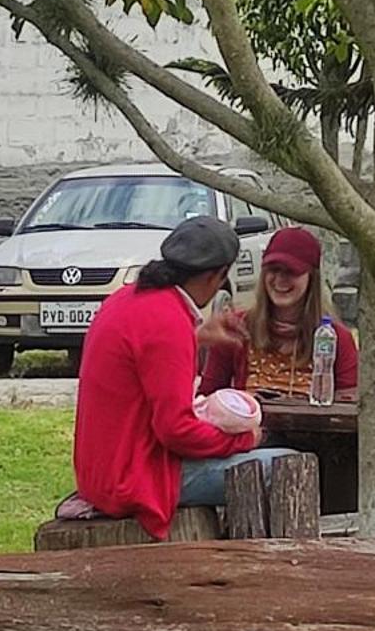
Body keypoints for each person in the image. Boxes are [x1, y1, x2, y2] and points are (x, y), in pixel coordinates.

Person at [72, 214, 295, 537]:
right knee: (285, 464)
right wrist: (246, 439)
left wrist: (197, 336)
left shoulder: (126, 299)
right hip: (136, 477)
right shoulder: (168, 321)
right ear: (217, 275)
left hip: (101, 472)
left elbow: (143, 357)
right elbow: (176, 431)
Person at [198, 226, 358, 400]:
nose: (280, 279)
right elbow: (208, 396)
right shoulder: (237, 328)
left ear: (311, 277)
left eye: (291, 272)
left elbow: (348, 403)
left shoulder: (337, 337)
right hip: (250, 426)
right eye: (274, 270)